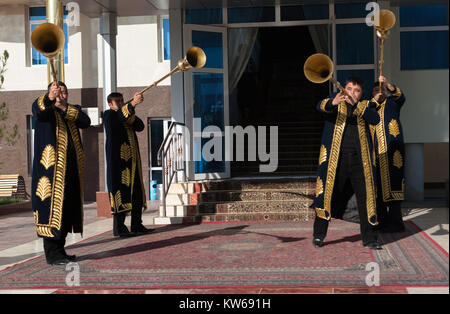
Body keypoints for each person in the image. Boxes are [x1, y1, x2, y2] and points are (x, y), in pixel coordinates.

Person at [312, 77, 381, 250]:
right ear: (344, 89)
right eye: (349, 88)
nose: (352, 92)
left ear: (360, 93)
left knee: (366, 199)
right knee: (326, 195)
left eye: (356, 90)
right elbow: (319, 106)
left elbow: (375, 119)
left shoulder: (365, 106)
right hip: (336, 161)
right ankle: (319, 235)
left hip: (360, 161)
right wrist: (332, 103)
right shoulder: (335, 102)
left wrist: (357, 106)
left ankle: (370, 238)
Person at [31, 81, 91, 265]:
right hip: (50, 172)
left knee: (67, 211)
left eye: (64, 92)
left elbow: (85, 122)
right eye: (58, 91)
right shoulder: (43, 108)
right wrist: (50, 98)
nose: (61, 94)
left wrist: (64, 107)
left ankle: (61, 250)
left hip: (71, 172)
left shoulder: (71, 109)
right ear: (50, 91)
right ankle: (52, 254)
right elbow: (39, 109)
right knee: (51, 211)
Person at [103, 92, 152, 237]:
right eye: (117, 102)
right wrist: (132, 104)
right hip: (118, 164)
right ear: (110, 104)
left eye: (122, 101)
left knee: (136, 193)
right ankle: (119, 228)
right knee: (120, 193)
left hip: (133, 163)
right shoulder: (108, 115)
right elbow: (118, 119)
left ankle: (137, 224)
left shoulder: (126, 115)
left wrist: (131, 109)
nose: (120, 103)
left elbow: (140, 126)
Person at [369, 76, 406, 233]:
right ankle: (381, 222)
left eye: (381, 90)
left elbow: (401, 96)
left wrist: (387, 83)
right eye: (376, 90)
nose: (379, 92)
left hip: (393, 153)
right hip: (375, 155)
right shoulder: (368, 107)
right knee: (378, 191)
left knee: (394, 187)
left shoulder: (392, 104)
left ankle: (396, 223)